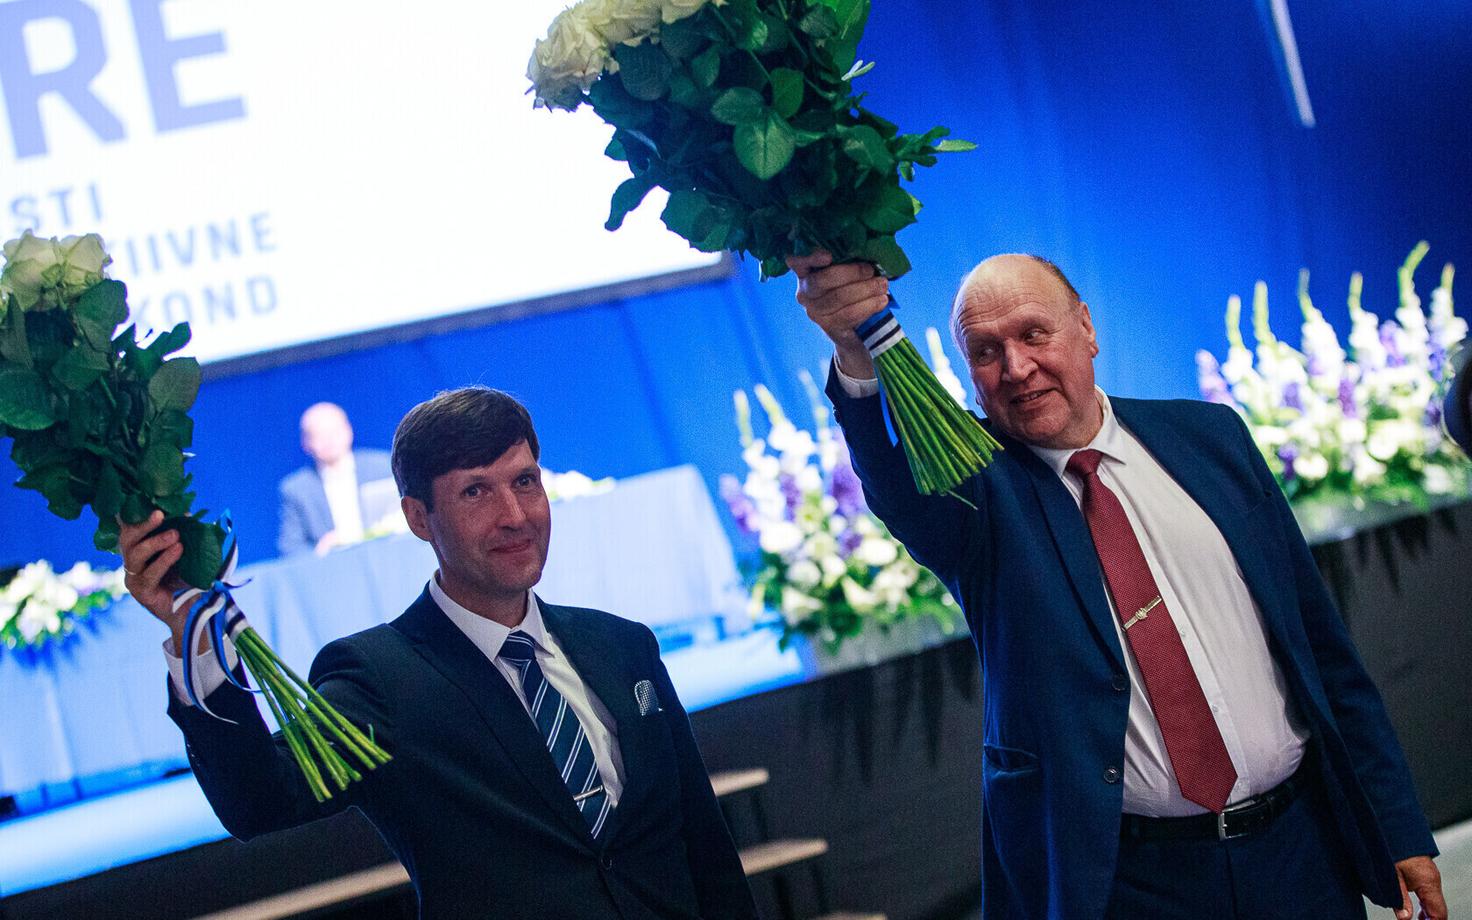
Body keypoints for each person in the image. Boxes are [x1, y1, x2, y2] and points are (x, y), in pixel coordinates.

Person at [790, 251, 1447, 920]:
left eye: (1033, 334)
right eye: (985, 351)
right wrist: (856, 349)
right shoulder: (979, 497)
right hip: (1130, 885)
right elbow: (893, 479)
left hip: (1301, 853)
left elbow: (1323, 651)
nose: (1016, 368)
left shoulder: (1210, 439)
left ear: (1087, 328)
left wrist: (1397, 826)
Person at [120, 387, 757, 920]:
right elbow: (263, 800)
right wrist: (193, 637)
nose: (515, 515)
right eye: (476, 492)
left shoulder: (622, 646)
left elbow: (705, 847)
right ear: (418, 518)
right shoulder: (378, 677)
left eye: (525, 482)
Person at [276, 402, 396, 557]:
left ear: (349, 430)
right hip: (333, 568)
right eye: (318, 435)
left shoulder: (382, 467)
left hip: (386, 555)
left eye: (333, 432)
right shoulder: (296, 489)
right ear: (305, 443)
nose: (328, 440)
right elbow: (291, 549)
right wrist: (321, 551)